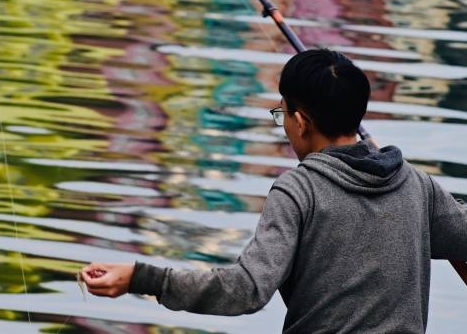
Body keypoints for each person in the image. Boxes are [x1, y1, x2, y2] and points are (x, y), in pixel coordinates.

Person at [81, 48, 467, 333]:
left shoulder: (298, 190)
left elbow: (246, 289)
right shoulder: (417, 186)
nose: (283, 124)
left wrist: (141, 278)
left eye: (281, 114)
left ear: (301, 121)